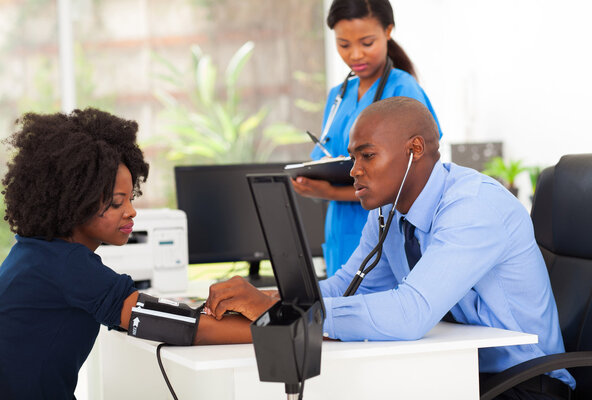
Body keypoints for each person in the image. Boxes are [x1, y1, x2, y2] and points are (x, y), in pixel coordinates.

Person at [206, 97, 575, 400]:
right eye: (354, 158)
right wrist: (276, 300)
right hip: (453, 369)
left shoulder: (474, 207)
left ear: (414, 149)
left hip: (526, 383)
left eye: (367, 156)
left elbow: (410, 312)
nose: (353, 170)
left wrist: (279, 310)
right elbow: (349, 284)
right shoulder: (388, 209)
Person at [0, 109, 251, 400]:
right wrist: (276, 331)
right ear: (76, 202)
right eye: (117, 202)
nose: (131, 211)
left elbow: (144, 313)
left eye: (131, 198)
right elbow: (181, 328)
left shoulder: (34, 253)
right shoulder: (66, 265)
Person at [292, 0, 443, 277]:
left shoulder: (403, 90)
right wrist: (313, 182)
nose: (355, 55)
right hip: (341, 228)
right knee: (339, 303)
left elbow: (414, 178)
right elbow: (329, 159)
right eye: (344, 45)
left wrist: (331, 193)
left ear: (388, 31)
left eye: (367, 42)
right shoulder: (338, 95)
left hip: (386, 229)